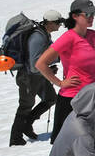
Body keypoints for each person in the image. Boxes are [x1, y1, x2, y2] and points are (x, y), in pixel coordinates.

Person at [35, 0, 95, 141]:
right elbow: (40, 63)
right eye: (88, 14)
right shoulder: (68, 37)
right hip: (71, 98)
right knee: (64, 145)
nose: (91, 18)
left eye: (93, 14)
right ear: (75, 16)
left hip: (90, 95)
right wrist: (60, 83)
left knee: (89, 141)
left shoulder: (92, 35)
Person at [10, 9, 63, 146]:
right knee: (25, 106)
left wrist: (49, 67)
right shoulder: (38, 37)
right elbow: (34, 64)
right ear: (50, 22)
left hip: (38, 75)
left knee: (51, 99)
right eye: (58, 22)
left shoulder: (44, 34)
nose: (59, 25)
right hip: (28, 77)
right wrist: (50, 66)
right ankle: (15, 138)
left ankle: (27, 124)